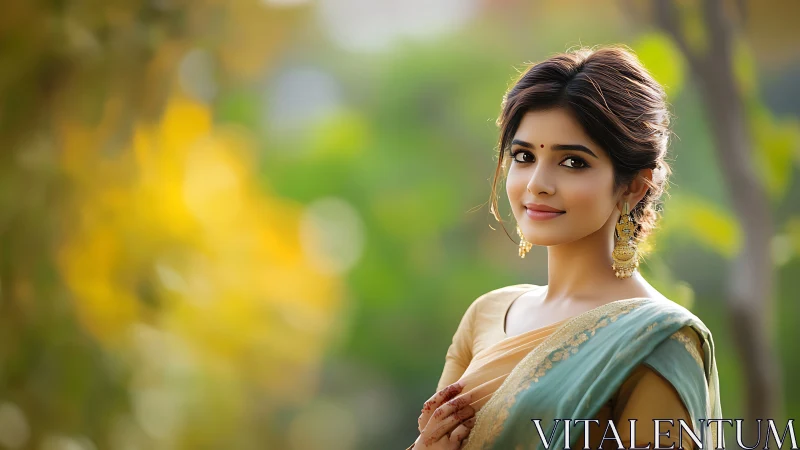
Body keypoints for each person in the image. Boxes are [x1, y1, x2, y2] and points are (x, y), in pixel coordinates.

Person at [407, 45, 723, 450]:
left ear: (633, 186)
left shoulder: (658, 340)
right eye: (523, 156)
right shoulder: (486, 315)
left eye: (572, 162)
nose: (537, 182)